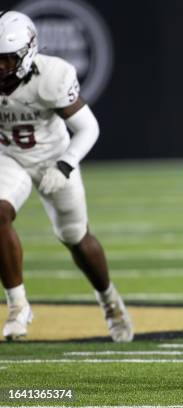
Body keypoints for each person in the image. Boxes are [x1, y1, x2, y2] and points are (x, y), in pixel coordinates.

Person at [0, 11, 133, 342]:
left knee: (75, 237)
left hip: (53, 158)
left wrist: (65, 164)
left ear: (28, 51)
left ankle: (109, 301)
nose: (0, 67)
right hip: (9, 157)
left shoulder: (52, 75)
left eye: (6, 59)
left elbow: (88, 127)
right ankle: (18, 305)